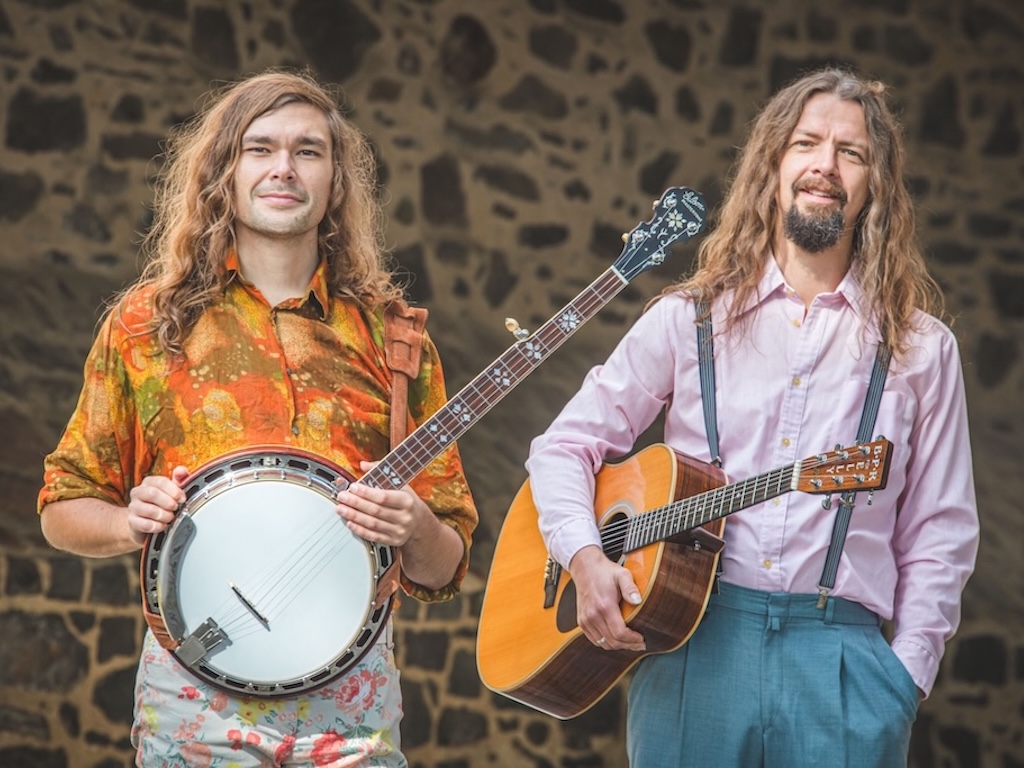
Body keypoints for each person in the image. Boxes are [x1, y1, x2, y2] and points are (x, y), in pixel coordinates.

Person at [525, 67, 978, 766]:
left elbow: (940, 530)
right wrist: (584, 556)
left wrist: (902, 676)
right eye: (806, 144)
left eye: (850, 153)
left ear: (874, 186)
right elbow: (565, 446)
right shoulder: (688, 320)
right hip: (693, 646)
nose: (825, 165)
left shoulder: (921, 349)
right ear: (773, 166)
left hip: (843, 663)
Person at [38, 69, 478, 767]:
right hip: (194, 700)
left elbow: (445, 561)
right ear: (224, 173)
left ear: (336, 181)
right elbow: (63, 505)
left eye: (309, 151)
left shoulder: (395, 342)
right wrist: (129, 522)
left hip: (353, 710)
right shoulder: (145, 327)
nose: (284, 168)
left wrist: (415, 525)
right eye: (259, 148)